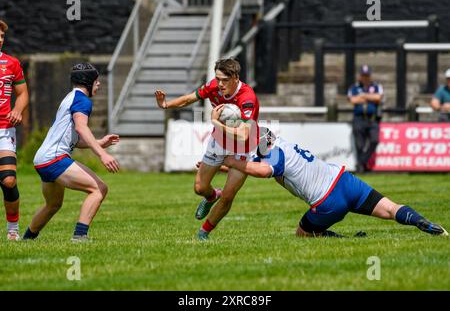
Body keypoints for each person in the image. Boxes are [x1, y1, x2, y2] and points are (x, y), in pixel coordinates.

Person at [224, 127, 448, 238]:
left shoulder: (273, 156)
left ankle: (344, 240)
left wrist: (231, 160)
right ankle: (426, 224)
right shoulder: (281, 144)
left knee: (303, 235)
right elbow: (254, 162)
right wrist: (223, 166)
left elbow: (263, 170)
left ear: (262, 144)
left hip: (328, 201)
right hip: (344, 181)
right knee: (390, 208)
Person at [154, 58, 260, 240]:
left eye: (224, 80)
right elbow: (189, 99)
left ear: (235, 77)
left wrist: (215, 122)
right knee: (200, 188)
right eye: (217, 78)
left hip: (243, 146)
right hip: (219, 140)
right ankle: (212, 196)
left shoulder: (247, 97)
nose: (219, 84)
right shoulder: (213, 86)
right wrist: (165, 105)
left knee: (228, 196)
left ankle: (203, 233)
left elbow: (243, 135)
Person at [22, 63, 120, 242]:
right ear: (88, 82)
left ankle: (27, 239)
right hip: (55, 159)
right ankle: (79, 237)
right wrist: (102, 154)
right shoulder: (82, 100)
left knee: (53, 204)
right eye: (96, 82)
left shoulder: (70, 97)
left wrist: (98, 143)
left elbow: (71, 137)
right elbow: (81, 128)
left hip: (42, 159)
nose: (98, 85)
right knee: (99, 189)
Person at [0, 20, 29, 241]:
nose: (0, 40)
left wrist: (18, 110)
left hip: (4, 130)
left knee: (9, 180)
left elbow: (22, 94)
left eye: (2, 36)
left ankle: (13, 229)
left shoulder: (12, 63)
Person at [348, 65, 384, 173]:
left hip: (372, 119)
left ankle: (362, 162)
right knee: (359, 144)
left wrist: (363, 96)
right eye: (363, 75)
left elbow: (378, 98)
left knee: (374, 140)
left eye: (367, 75)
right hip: (359, 119)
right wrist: (370, 97)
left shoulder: (377, 86)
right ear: (360, 76)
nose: (365, 78)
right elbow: (353, 100)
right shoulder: (354, 87)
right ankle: (361, 167)